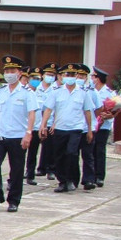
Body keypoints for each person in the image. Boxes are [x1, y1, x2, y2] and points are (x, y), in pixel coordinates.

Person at [0, 54, 36, 212]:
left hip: (18, 136)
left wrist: (28, 133)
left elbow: (32, 113)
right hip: (0, 134)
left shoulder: (27, 93)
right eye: (6, 70)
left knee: (17, 170)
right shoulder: (0, 92)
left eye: (12, 70)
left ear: (19, 73)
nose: (9, 73)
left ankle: (13, 200)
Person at [41, 64, 95, 194]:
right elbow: (48, 109)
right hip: (60, 128)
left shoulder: (83, 93)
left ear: (76, 76)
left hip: (76, 128)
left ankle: (71, 179)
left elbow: (87, 112)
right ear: (63, 76)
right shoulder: (56, 92)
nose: (70, 77)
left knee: (71, 153)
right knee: (59, 155)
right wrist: (43, 125)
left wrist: (89, 130)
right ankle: (62, 181)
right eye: (67, 75)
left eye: (72, 75)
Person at [83, 68, 117, 190]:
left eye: (94, 77)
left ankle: (99, 176)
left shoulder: (109, 93)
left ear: (98, 79)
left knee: (100, 151)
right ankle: (90, 176)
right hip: (91, 125)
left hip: (103, 126)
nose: (92, 79)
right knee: (89, 152)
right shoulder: (88, 90)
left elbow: (115, 110)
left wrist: (109, 115)